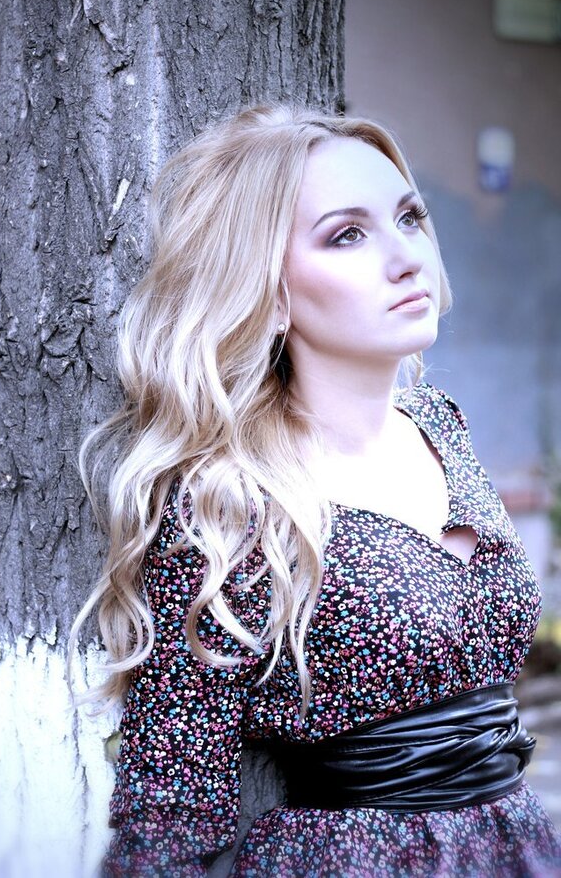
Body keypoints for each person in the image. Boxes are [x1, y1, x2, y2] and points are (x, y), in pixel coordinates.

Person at [71, 103, 561, 877]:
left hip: (515, 844)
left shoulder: (441, 424)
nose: (406, 257)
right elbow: (171, 811)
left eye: (409, 218)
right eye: (347, 235)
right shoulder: (228, 503)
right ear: (270, 292)